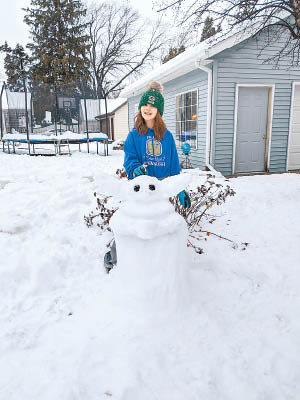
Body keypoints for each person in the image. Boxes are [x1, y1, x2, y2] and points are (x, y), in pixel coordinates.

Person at [104, 81, 191, 272]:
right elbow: (130, 158)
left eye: (152, 106)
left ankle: (154, 265)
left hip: (159, 191)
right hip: (139, 190)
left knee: (158, 228)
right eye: (145, 105)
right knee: (131, 225)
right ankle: (113, 258)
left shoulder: (166, 136)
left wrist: (180, 188)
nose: (148, 109)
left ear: (158, 110)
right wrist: (134, 169)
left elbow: (173, 165)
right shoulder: (135, 135)